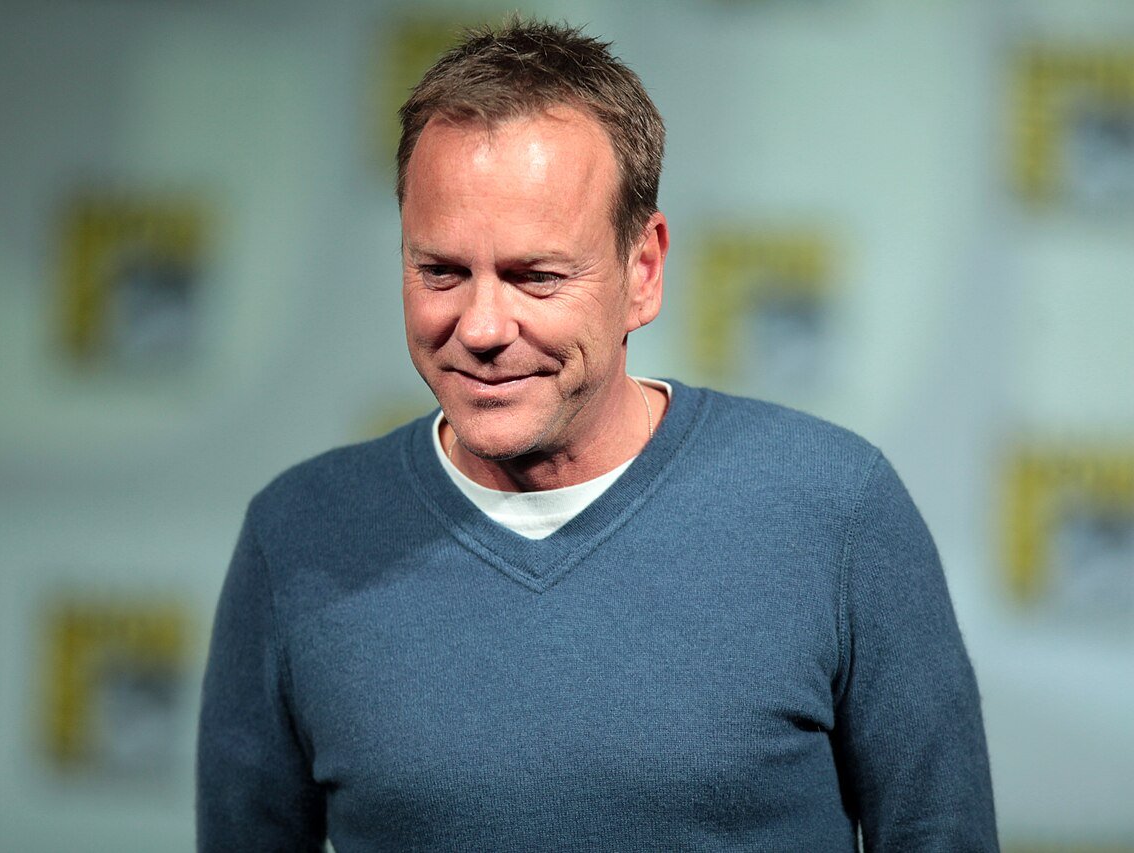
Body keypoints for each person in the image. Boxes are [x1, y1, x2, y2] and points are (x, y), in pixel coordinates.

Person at [197, 17, 998, 852]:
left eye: (536, 276)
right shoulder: (297, 535)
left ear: (642, 270)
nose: (481, 326)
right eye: (441, 271)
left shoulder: (836, 511)